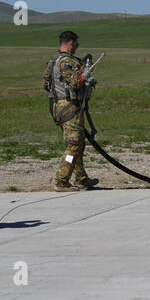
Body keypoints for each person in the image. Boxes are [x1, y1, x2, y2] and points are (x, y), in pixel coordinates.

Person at [43, 30, 99, 191]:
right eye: (76, 44)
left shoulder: (53, 61)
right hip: (68, 107)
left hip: (59, 106)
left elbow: (46, 84)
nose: (77, 47)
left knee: (78, 143)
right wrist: (86, 74)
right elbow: (75, 82)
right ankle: (61, 180)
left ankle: (81, 178)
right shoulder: (66, 61)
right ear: (71, 43)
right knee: (74, 145)